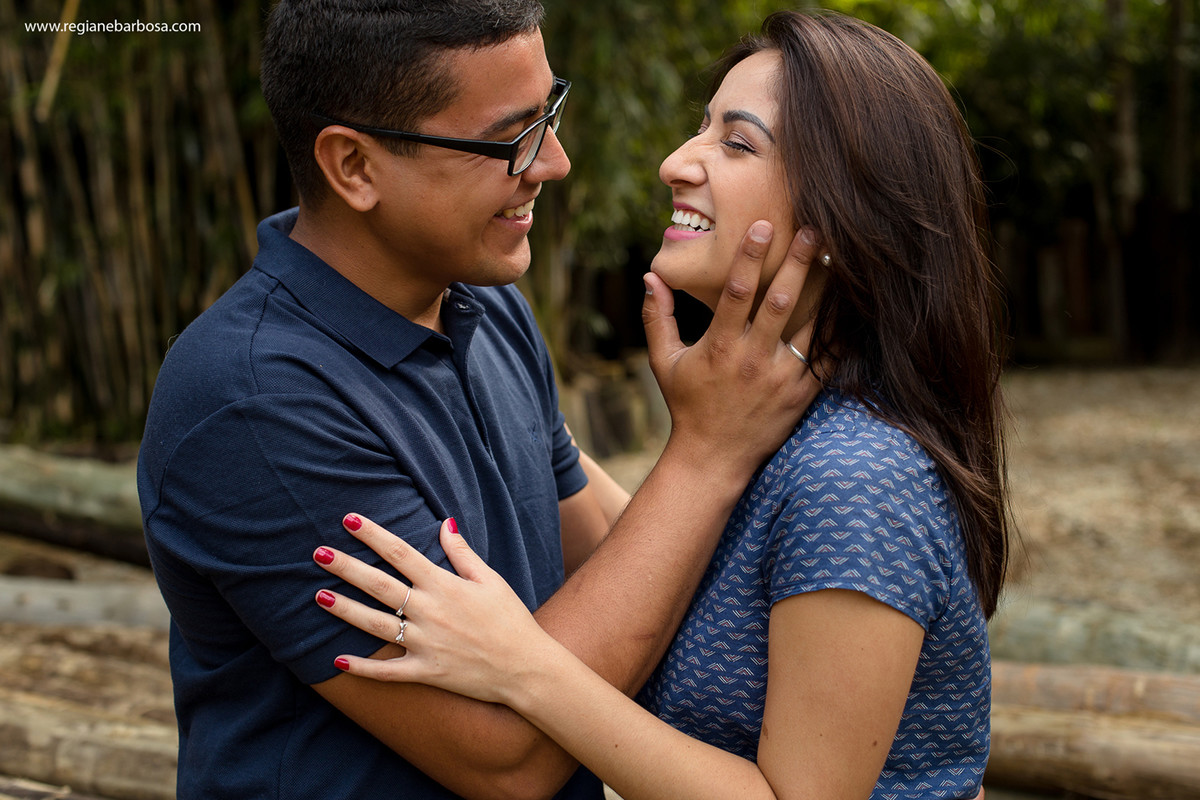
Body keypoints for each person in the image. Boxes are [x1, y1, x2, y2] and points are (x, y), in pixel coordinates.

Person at [312, 9, 1010, 800]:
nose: (677, 163)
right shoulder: (766, 423)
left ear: (850, 215)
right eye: (701, 129)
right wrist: (705, 439)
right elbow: (641, 551)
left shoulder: (855, 473)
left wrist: (524, 665)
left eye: (736, 142)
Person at [137, 1, 823, 798]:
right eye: (510, 139)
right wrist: (706, 453)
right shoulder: (251, 399)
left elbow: (603, 543)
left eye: (549, 114)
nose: (554, 162)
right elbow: (507, 756)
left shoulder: (483, 303)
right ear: (354, 166)